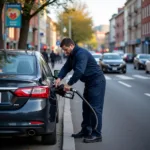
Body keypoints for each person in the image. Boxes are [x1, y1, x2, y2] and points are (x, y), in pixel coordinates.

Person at [55, 38, 106, 143]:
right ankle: (86, 131)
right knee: (86, 108)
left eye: (66, 49)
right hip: (89, 83)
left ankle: (97, 134)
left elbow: (79, 71)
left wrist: (69, 84)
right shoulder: (72, 55)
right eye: (64, 50)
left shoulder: (81, 54)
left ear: (71, 46)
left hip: (97, 82)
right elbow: (66, 67)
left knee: (95, 109)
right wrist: (59, 77)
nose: (65, 52)